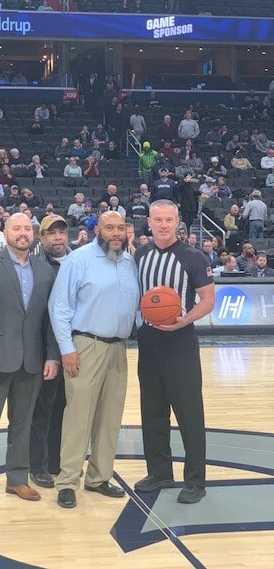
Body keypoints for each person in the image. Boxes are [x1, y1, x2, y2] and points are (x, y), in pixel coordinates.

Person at [0, 213, 58, 512]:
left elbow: (51, 318)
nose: (22, 233)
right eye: (16, 228)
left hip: (32, 360)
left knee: (23, 424)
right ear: (5, 233)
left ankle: (17, 478)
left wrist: (53, 355)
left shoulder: (44, 270)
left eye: (27, 229)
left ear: (34, 234)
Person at [48, 211, 139, 509]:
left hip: (118, 348)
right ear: (97, 229)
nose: (115, 233)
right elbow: (58, 306)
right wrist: (66, 348)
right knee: (78, 417)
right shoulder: (80, 259)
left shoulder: (128, 261)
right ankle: (67, 480)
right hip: (86, 345)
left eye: (120, 228)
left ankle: (99, 477)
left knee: (110, 418)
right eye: (109, 227)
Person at [134, 199, 215, 504]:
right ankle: (159, 472)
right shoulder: (140, 254)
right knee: (152, 411)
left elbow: (208, 300)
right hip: (148, 341)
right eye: (158, 219)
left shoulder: (193, 257)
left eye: (169, 219)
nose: (164, 225)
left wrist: (184, 320)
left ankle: (195, 480)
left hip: (180, 342)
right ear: (149, 222)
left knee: (189, 413)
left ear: (178, 222)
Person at [29, 214, 70, 487]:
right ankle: (38, 465)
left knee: (67, 408)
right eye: (51, 233)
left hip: (74, 348)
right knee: (41, 410)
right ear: (41, 238)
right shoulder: (34, 266)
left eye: (61, 232)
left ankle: (58, 460)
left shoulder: (77, 263)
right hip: (44, 349)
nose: (57, 237)